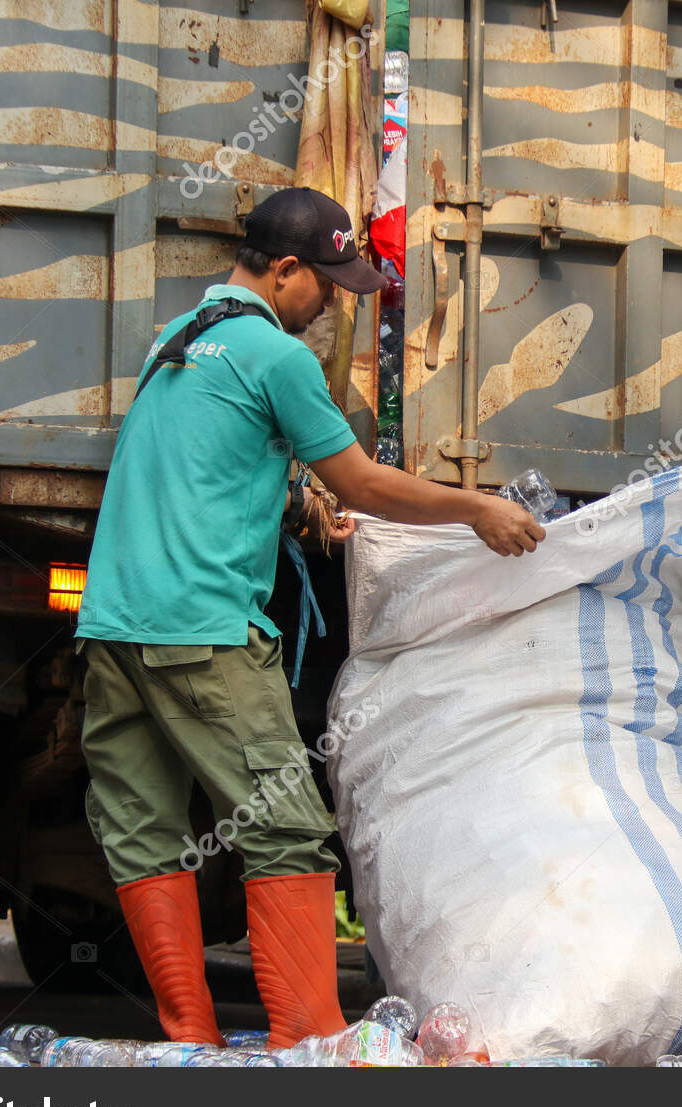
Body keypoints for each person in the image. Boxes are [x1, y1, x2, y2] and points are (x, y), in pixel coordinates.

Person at [75, 188, 544, 1047]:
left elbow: (205, 460)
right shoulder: (277, 356)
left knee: (146, 832)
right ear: (284, 270)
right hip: (203, 629)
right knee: (287, 825)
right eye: (325, 284)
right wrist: (475, 507)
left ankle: (192, 1041)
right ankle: (310, 1041)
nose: (331, 303)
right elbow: (364, 482)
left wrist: (294, 502)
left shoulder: (174, 342)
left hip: (112, 626)